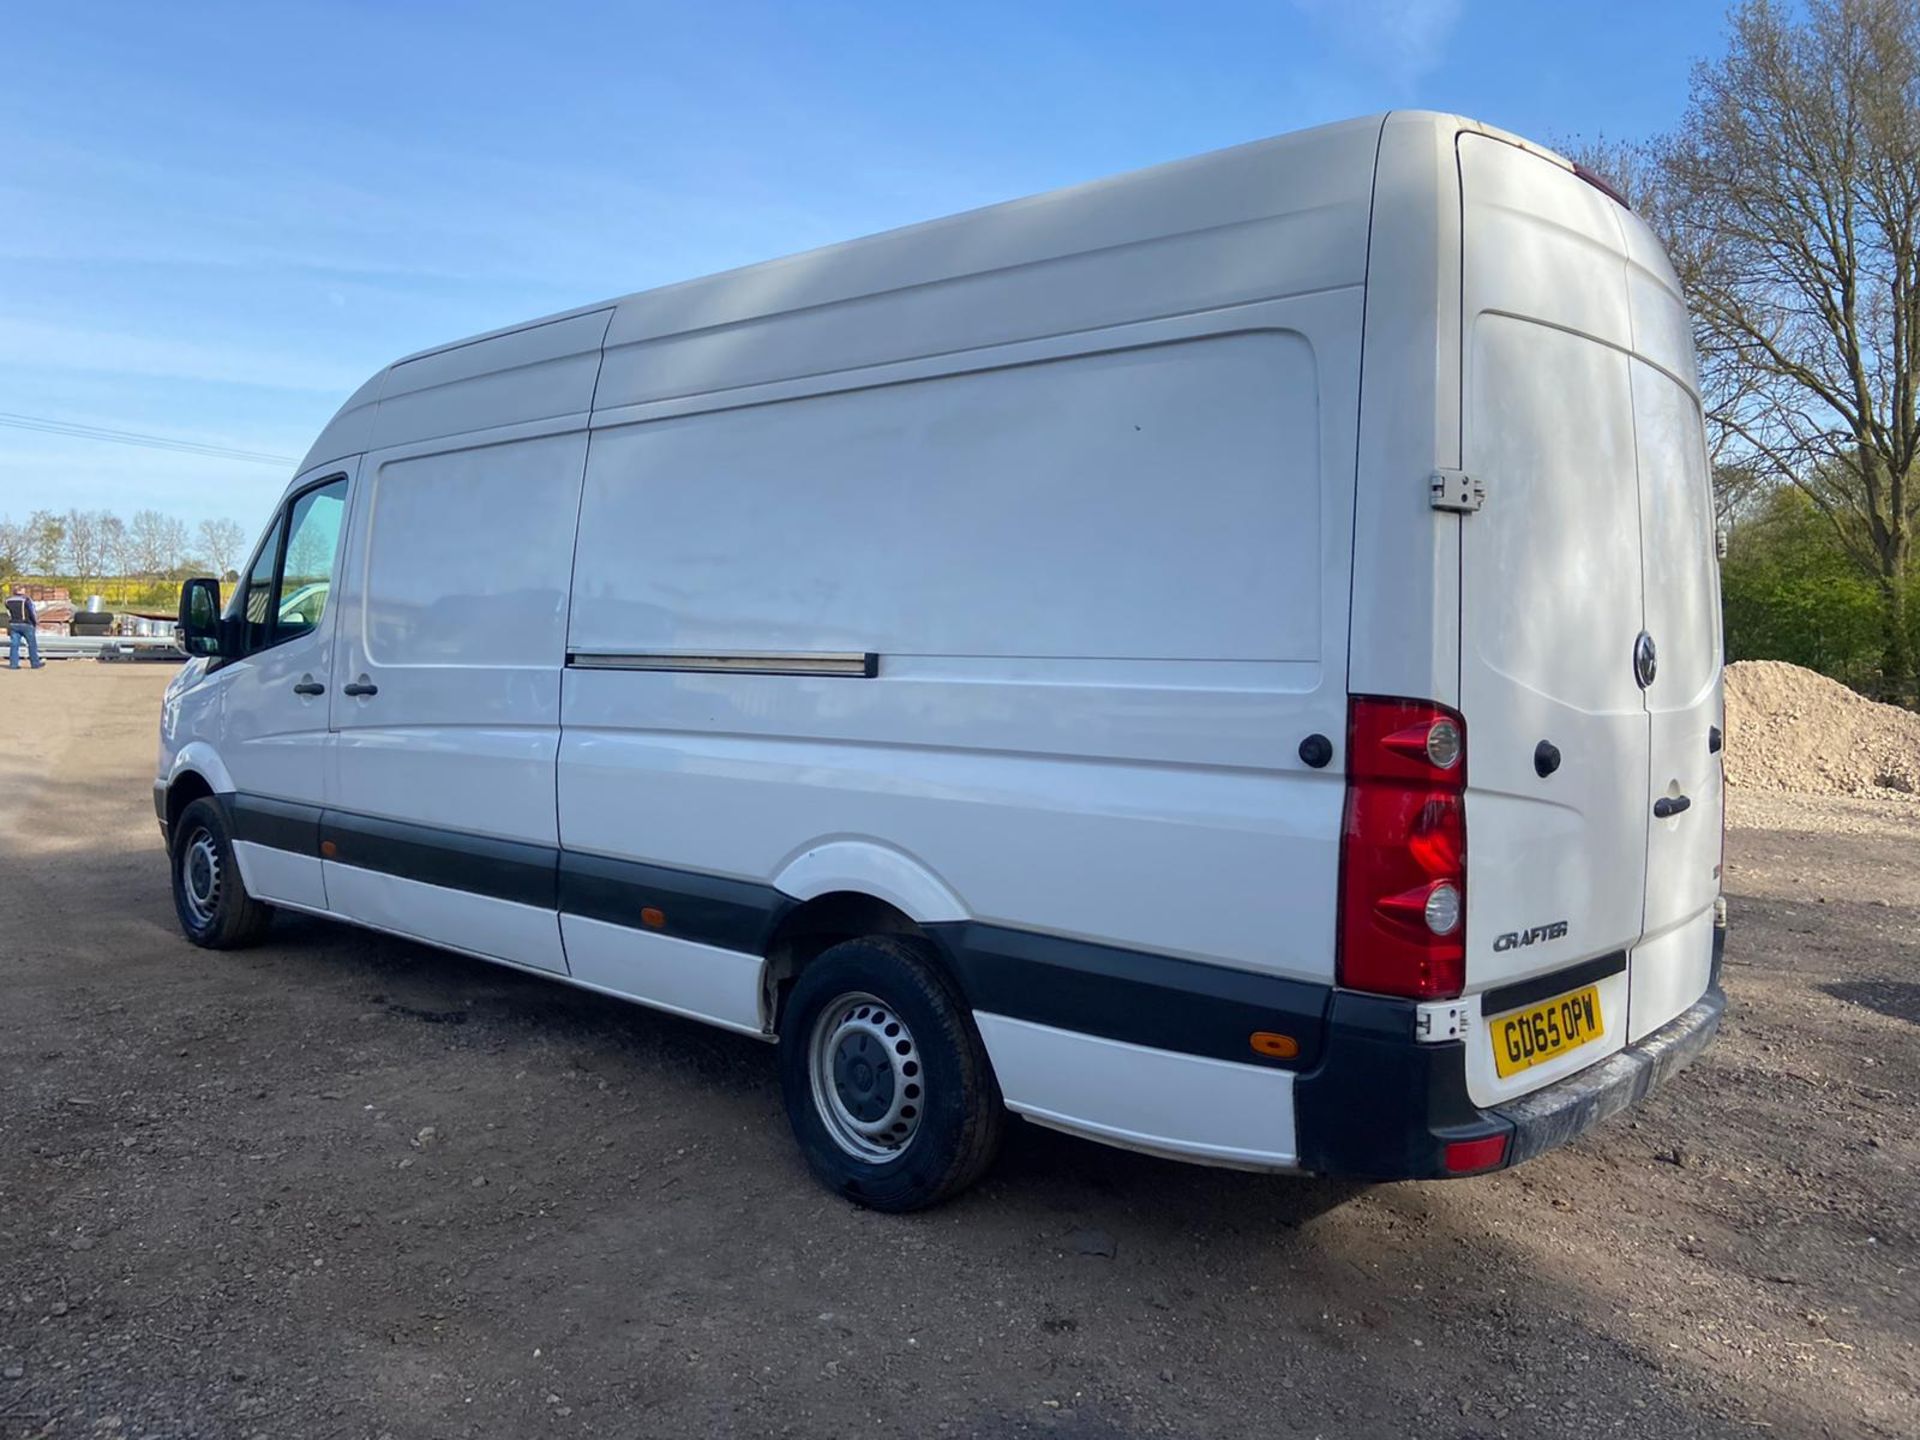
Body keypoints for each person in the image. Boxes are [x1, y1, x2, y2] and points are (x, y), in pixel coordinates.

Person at [6, 587, 45, 669]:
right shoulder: (26, 600)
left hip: (13, 624)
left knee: (14, 645)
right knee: (32, 645)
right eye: (23, 589)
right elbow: (32, 611)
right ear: (20, 591)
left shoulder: (8, 601)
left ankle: (13, 664)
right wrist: (35, 622)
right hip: (26, 624)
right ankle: (35, 663)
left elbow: (9, 612)